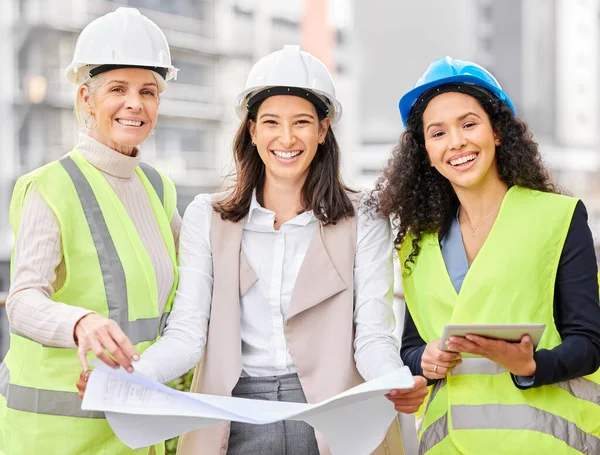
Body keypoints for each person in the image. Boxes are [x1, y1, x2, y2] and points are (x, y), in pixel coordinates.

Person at [79, 45, 428, 455]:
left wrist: (395, 381)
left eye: (301, 122)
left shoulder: (364, 216)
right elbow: (188, 334)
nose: (286, 137)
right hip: (232, 416)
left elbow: (372, 336)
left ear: (323, 129)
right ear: (251, 130)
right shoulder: (206, 217)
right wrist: (130, 378)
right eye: (271, 122)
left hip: (333, 418)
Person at [370, 56, 600, 454]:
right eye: (437, 133)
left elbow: (589, 342)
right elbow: (411, 344)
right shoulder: (417, 242)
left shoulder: (557, 217)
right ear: (426, 151)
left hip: (545, 445)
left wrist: (531, 365)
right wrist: (423, 360)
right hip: (448, 447)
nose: (456, 142)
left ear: (497, 133)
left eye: (469, 124)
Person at [0, 7, 180, 454]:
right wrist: (80, 322)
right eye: (117, 89)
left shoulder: (159, 189)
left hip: (139, 429)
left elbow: (189, 297)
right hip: (62, 437)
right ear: (86, 98)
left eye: (148, 91)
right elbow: (22, 301)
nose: (135, 103)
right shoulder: (49, 186)